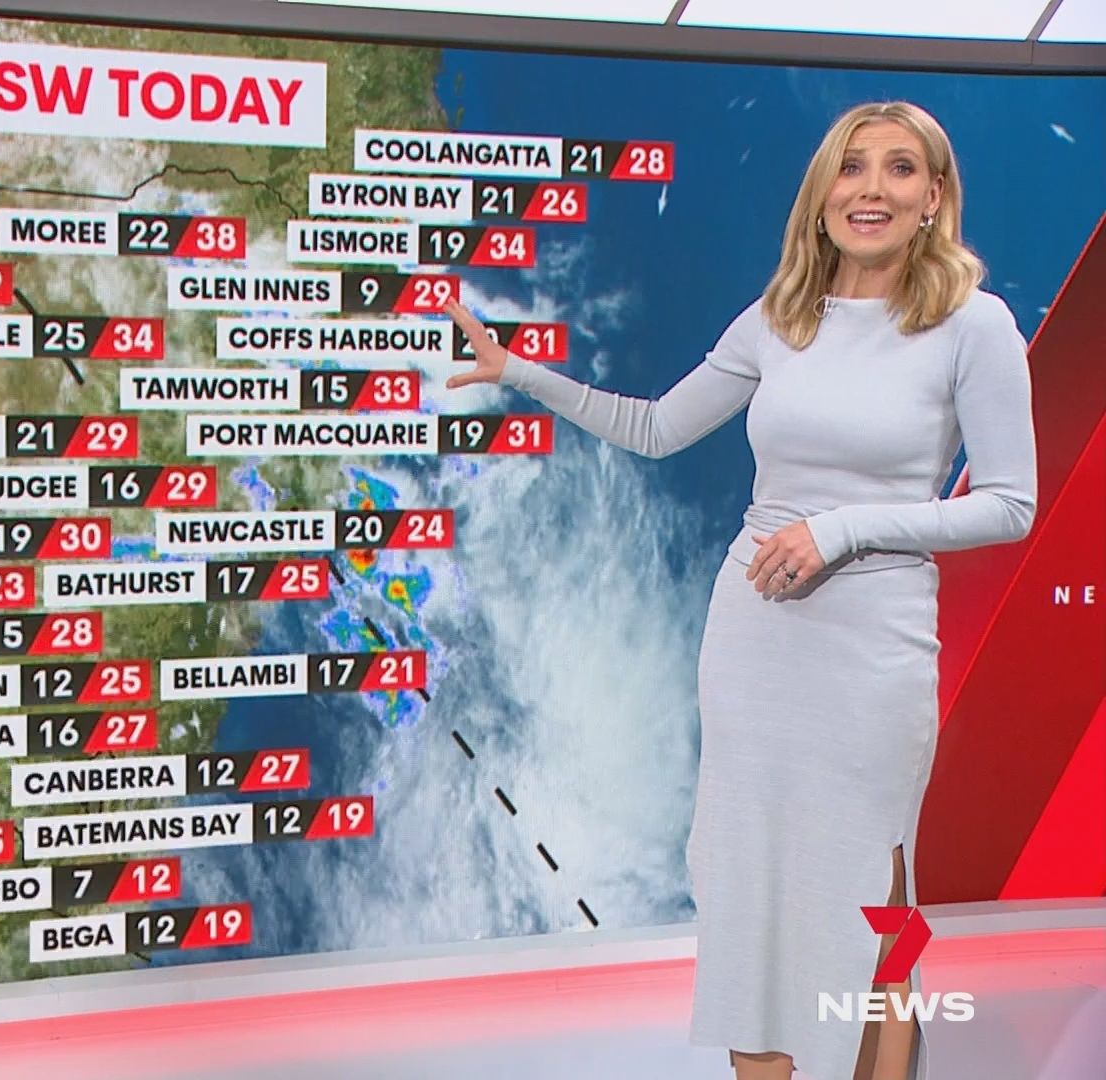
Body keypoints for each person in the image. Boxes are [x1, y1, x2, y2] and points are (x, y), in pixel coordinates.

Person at [442, 101, 1037, 1080]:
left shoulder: (972, 325)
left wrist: (842, 528)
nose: (871, 189)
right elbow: (655, 428)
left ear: (934, 196)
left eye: (898, 169)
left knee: (872, 889)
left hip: (874, 644)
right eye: (851, 167)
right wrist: (520, 373)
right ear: (823, 192)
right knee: (745, 879)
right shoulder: (779, 319)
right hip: (755, 639)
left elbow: (1010, 505)